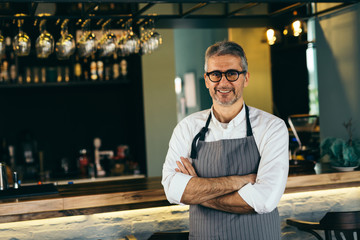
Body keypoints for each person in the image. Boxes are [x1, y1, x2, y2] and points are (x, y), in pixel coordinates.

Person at [162, 40, 289, 240]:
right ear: (206, 80)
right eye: (215, 74)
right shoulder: (187, 128)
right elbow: (172, 190)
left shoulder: (272, 127)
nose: (223, 83)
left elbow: (264, 200)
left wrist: (197, 192)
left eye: (232, 73)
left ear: (245, 78)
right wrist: (240, 181)